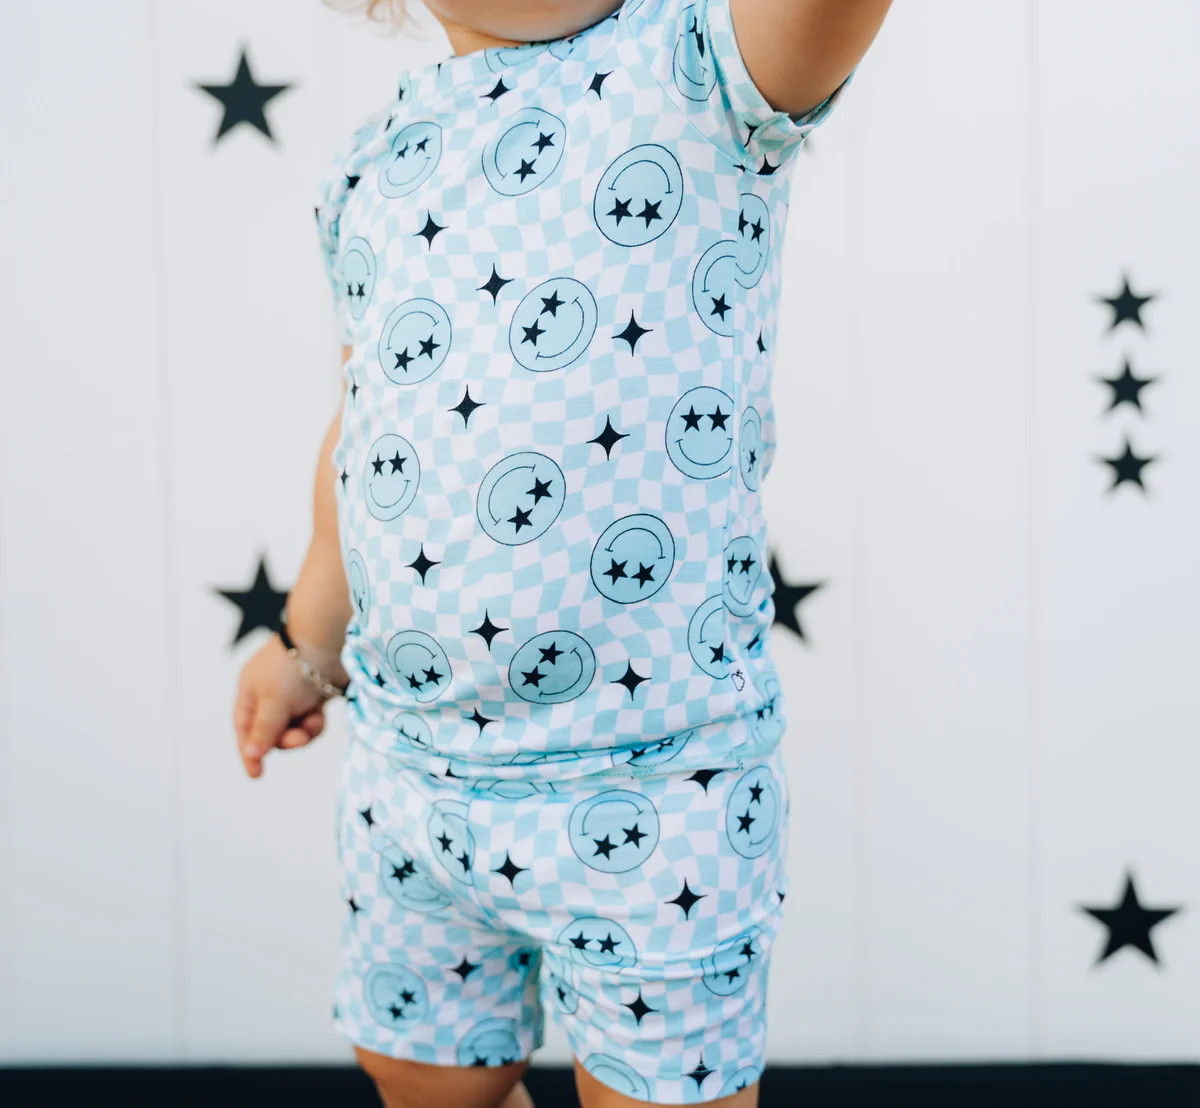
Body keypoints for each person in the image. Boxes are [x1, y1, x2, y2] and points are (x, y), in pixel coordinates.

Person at [233, 1, 892, 1105]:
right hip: (416, 775)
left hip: (655, 783)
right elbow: (366, 432)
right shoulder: (367, 173)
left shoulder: (700, 70)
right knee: (413, 1070)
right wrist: (307, 640)